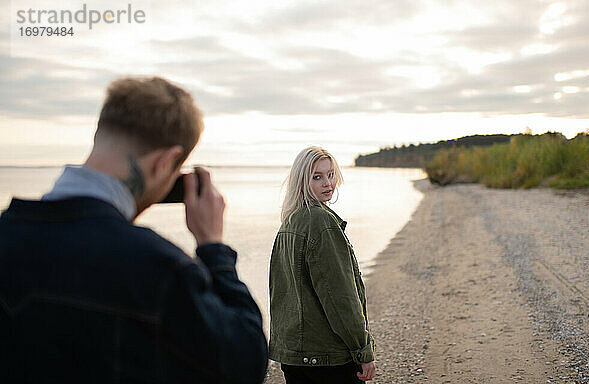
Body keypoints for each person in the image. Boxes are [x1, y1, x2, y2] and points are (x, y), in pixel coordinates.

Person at [0, 77, 268, 383]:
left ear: (100, 134)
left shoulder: (7, 234)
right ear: (165, 163)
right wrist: (213, 247)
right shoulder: (160, 268)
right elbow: (245, 362)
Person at [269, 146, 376, 383]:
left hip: (294, 356)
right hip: (326, 357)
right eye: (317, 177)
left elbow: (279, 293)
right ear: (302, 181)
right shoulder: (321, 223)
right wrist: (362, 350)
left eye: (330, 174)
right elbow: (340, 297)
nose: (327, 183)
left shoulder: (290, 221)